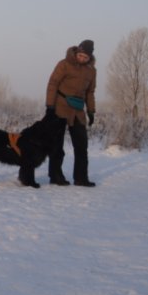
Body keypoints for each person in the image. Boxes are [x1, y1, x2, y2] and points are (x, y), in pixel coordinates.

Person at [45, 39, 97, 187]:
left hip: (78, 111)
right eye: (80, 55)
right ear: (77, 52)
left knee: (81, 145)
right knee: (57, 145)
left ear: (90, 57)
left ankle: (81, 178)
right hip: (60, 107)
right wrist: (50, 105)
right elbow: (53, 84)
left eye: (85, 57)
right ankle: (55, 176)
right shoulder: (64, 64)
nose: (82, 59)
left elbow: (90, 92)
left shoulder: (91, 71)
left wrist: (91, 111)